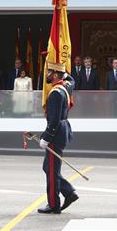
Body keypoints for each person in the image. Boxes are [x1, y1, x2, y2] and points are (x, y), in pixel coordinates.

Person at [37, 62, 78, 214]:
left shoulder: (55, 93)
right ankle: (68, 192)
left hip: (56, 133)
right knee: (48, 167)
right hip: (63, 129)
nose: (46, 74)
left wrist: (46, 137)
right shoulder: (66, 86)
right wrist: (64, 72)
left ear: (54, 75)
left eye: (49, 72)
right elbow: (72, 80)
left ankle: (54, 204)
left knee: (52, 170)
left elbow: (53, 120)